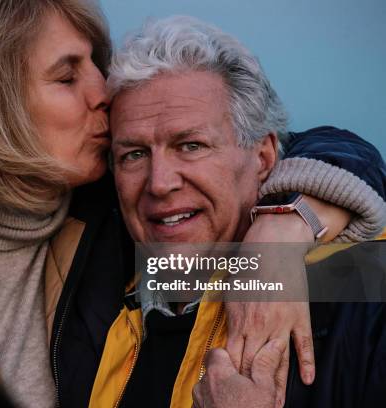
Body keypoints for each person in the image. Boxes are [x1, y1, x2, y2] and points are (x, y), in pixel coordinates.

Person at [0, 2, 383, 407]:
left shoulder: (130, 224)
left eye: (96, 61)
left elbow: (306, 154)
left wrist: (287, 229)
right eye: (68, 76)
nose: (104, 89)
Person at [89, 15, 386, 408]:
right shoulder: (91, 290)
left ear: (263, 156)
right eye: (134, 154)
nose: (159, 182)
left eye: (190, 145)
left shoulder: (364, 295)